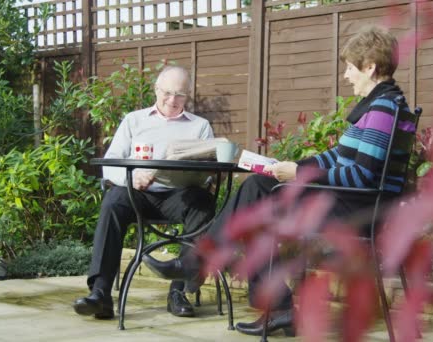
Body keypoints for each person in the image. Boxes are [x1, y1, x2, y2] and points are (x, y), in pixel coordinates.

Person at [142, 26, 416, 336]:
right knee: (259, 200)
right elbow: (337, 157)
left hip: (360, 209)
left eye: (351, 67)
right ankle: (271, 305)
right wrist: (285, 167)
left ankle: (205, 267)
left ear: (370, 67)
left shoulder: (382, 110)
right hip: (356, 202)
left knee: (256, 193)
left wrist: (297, 176)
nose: (346, 75)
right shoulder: (383, 105)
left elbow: (360, 175)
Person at [73, 66, 217, 319]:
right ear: (156, 90)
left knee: (203, 202)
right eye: (168, 93)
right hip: (139, 193)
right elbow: (109, 164)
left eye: (180, 95)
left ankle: (178, 291)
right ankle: (100, 293)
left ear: (188, 95)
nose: (173, 100)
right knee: (113, 201)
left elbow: (208, 171)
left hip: (179, 196)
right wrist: (132, 177)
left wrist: (199, 173)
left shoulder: (200, 126)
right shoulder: (134, 120)